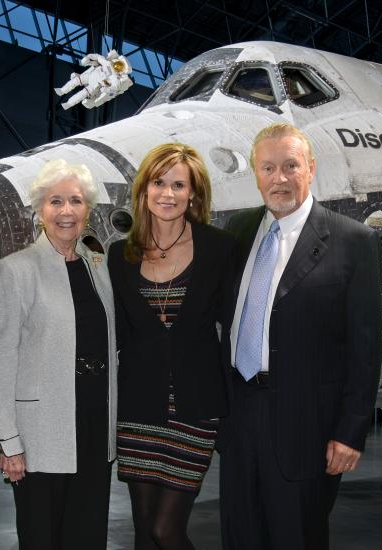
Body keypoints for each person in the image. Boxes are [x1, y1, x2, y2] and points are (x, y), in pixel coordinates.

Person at [218, 122, 382, 550]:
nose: (280, 178)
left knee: (298, 536)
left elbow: (365, 350)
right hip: (238, 417)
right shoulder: (237, 231)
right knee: (240, 536)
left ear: (310, 168)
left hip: (307, 426)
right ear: (255, 173)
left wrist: (350, 432)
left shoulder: (354, 242)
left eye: (291, 165)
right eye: (268, 167)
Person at [108, 143, 235, 550]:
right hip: (138, 409)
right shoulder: (119, 256)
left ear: (193, 193)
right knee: (144, 530)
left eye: (178, 184)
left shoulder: (219, 249)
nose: (167, 193)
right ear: (144, 190)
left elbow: (233, 324)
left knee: (167, 529)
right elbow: (119, 335)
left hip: (195, 409)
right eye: (158, 182)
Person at [0, 159, 117, 550]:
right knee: (42, 537)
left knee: (87, 534)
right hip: (40, 433)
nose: (66, 212)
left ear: (88, 210)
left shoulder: (99, 266)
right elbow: (2, 353)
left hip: (95, 426)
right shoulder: (17, 269)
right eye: (55, 201)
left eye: (76, 201)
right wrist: (8, 439)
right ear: (39, 209)